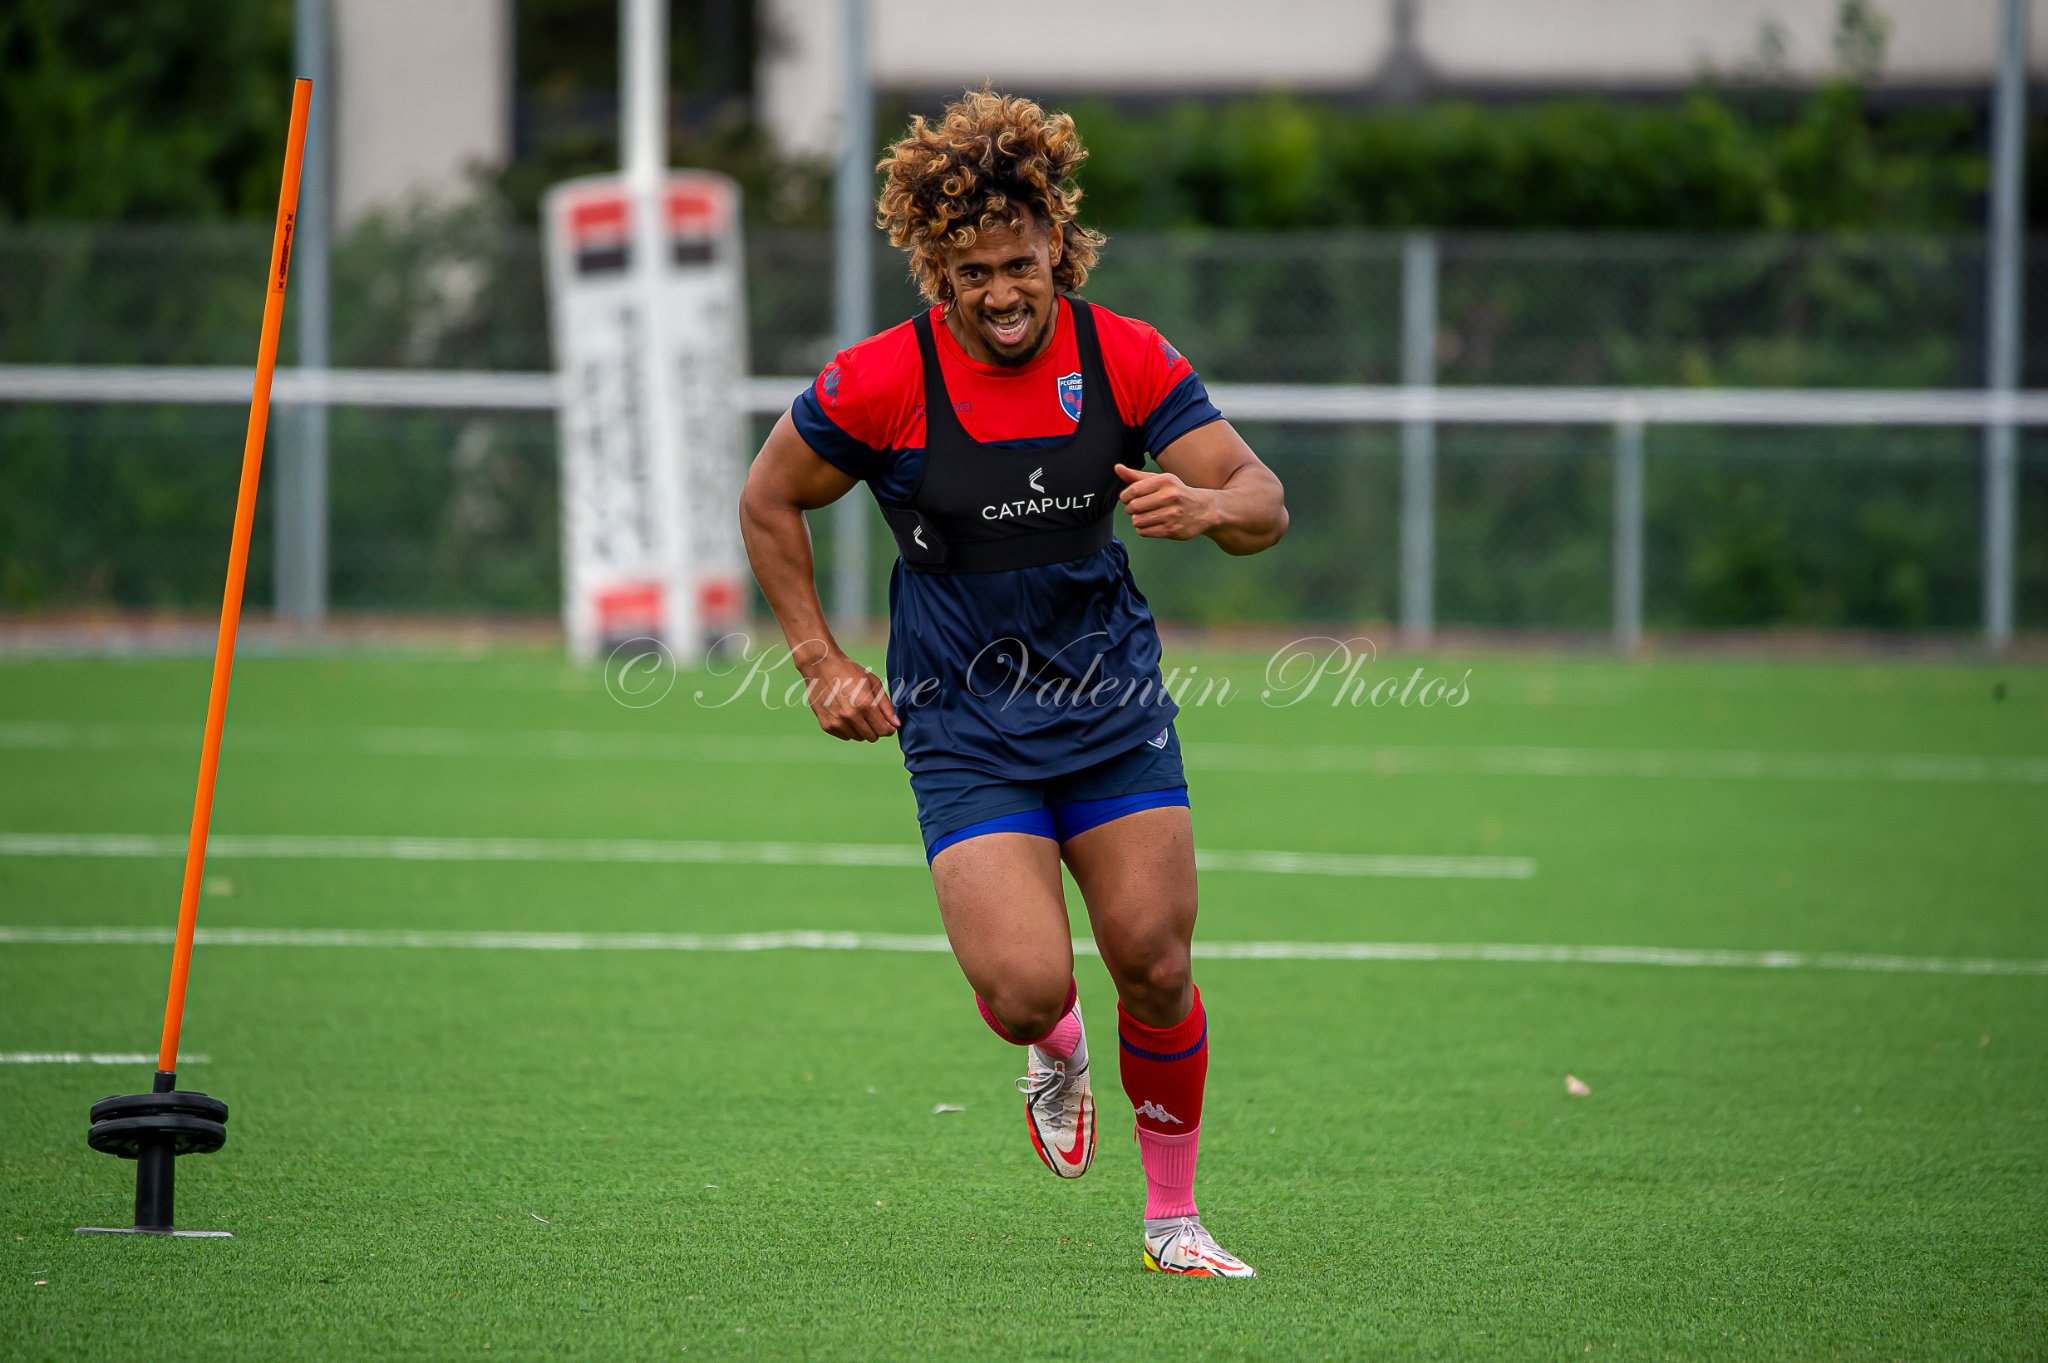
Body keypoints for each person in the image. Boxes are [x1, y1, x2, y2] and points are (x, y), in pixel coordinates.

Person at [739, 87, 1287, 1277]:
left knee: (1156, 962)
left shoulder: (1123, 355)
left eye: (1020, 264)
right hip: (962, 726)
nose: (1000, 292)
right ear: (938, 271)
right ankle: (1052, 1042)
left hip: (1109, 709)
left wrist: (1203, 507)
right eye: (972, 271)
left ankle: (1172, 1222)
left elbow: (1262, 500)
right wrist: (820, 662)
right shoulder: (879, 380)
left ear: (1057, 248)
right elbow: (767, 497)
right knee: (1027, 988)